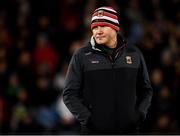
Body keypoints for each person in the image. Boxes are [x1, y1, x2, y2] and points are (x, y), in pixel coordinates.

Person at [63, 6, 153, 134]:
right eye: (94, 27)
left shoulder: (134, 53)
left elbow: (146, 90)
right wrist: (89, 120)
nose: (97, 31)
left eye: (102, 26)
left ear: (115, 28)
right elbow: (69, 94)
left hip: (129, 131)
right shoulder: (81, 56)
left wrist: (139, 114)